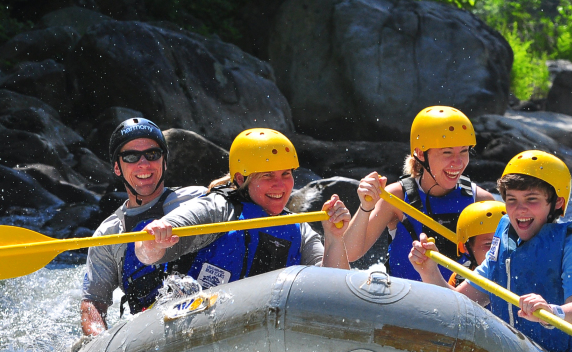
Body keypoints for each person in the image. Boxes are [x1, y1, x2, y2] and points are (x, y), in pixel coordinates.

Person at [409, 150, 572, 352]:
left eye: (531, 199)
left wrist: (550, 312)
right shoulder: (504, 242)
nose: (519, 209)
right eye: (511, 200)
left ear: (557, 203)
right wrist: (428, 270)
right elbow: (461, 303)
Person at [132, 128, 350, 290]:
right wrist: (153, 239)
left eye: (286, 174)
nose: (281, 185)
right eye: (267, 175)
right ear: (240, 178)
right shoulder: (217, 210)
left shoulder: (298, 228)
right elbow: (145, 252)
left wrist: (334, 237)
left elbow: (334, 288)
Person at [80, 117, 208, 336]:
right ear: (117, 168)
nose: (144, 164)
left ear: (164, 162)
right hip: (154, 336)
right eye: (131, 156)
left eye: (152, 154)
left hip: (214, 312)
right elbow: (93, 303)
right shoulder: (109, 234)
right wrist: (99, 342)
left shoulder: (200, 199)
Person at [344, 106, 495, 281]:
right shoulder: (396, 197)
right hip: (407, 304)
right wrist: (365, 207)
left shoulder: (482, 201)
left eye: (464, 151)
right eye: (447, 152)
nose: (458, 162)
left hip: (461, 305)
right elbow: (349, 254)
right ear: (420, 153)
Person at [448, 200, 506, 287]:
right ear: (466, 247)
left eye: (506, 242)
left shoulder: (524, 273)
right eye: (489, 244)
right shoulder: (459, 278)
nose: (499, 249)